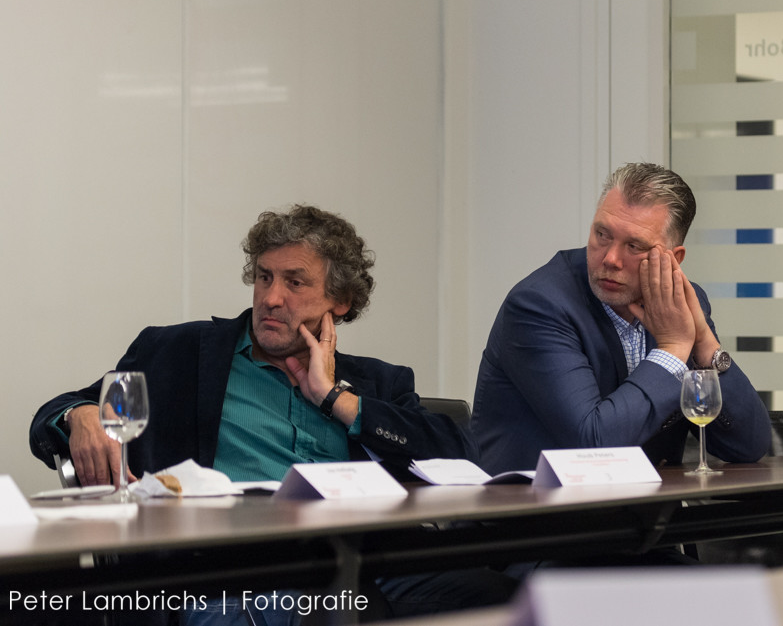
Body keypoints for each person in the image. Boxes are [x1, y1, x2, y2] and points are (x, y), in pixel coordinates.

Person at [29, 205, 515, 623]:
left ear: (340, 301)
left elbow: (460, 455)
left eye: (294, 282)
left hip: (366, 562)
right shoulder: (179, 353)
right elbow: (59, 413)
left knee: (508, 595)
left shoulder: (379, 382)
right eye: (264, 277)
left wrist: (335, 398)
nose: (271, 297)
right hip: (231, 569)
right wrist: (80, 414)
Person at [472, 163, 772, 476]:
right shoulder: (539, 306)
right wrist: (672, 350)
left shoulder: (680, 306)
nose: (610, 259)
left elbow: (749, 445)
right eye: (602, 234)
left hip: (648, 505)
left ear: (674, 259)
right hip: (536, 505)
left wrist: (705, 344)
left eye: (634, 246)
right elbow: (594, 445)